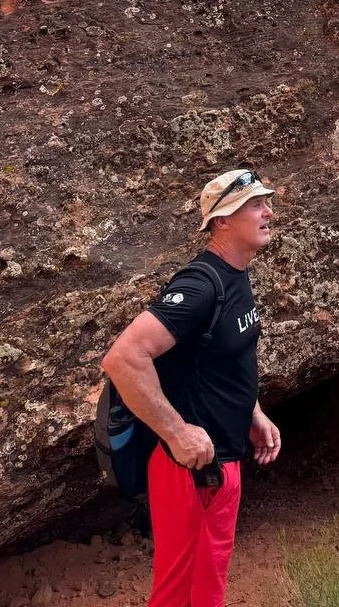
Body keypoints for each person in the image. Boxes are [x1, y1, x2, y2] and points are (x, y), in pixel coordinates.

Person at [102, 169, 282, 607]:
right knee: (178, 592)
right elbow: (123, 358)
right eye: (255, 205)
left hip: (223, 459)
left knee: (208, 586)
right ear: (222, 220)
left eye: (267, 202)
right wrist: (177, 432)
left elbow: (227, 358)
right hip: (189, 468)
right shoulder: (200, 285)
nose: (269, 212)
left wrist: (253, 412)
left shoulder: (235, 276)